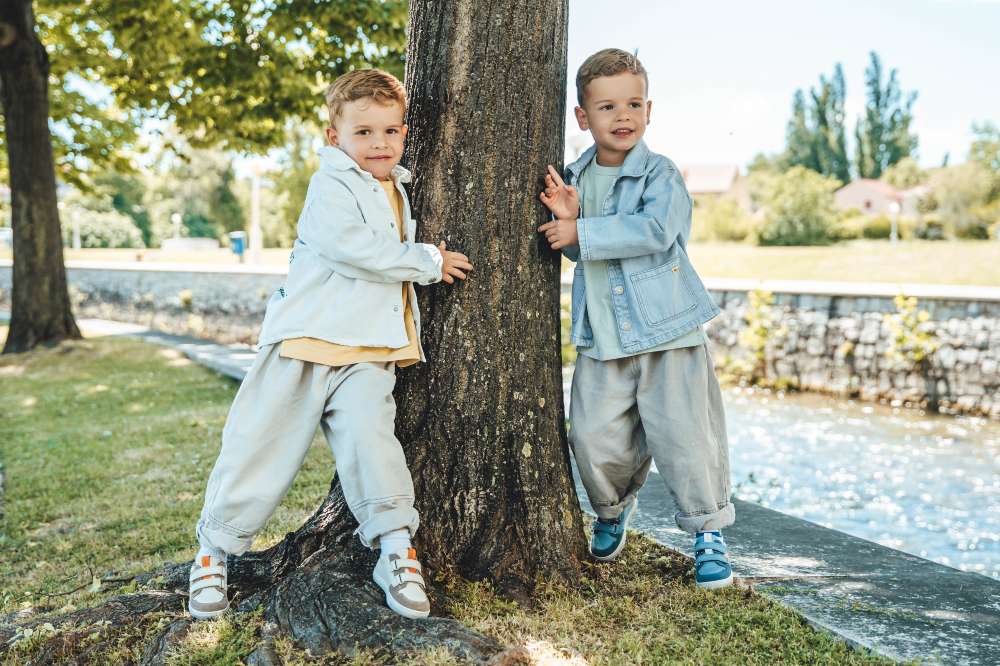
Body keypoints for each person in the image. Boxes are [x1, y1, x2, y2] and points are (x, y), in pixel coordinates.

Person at [188, 68, 473, 620]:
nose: (379, 143)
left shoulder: (399, 186)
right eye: (363, 132)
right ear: (333, 135)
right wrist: (428, 262)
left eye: (391, 131)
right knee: (258, 445)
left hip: (367, 350)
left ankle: (394, 549)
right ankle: (213, 553)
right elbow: (353, 249)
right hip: (305, 339)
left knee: (375, 446)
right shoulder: (331, 184)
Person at [538, 48, 734, 589]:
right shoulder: (573, 177)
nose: (621, 116)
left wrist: (584, 233)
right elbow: (582, 254)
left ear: (648, 109)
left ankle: (708, 533)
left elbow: (655, 232)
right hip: (603, 336)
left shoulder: (659, 174)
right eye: (606, 107)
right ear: (583, 118)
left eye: (632, 104)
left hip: (667, 331)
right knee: (595, 436)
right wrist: (572, 225)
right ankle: (611, 508)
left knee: (686, 437)